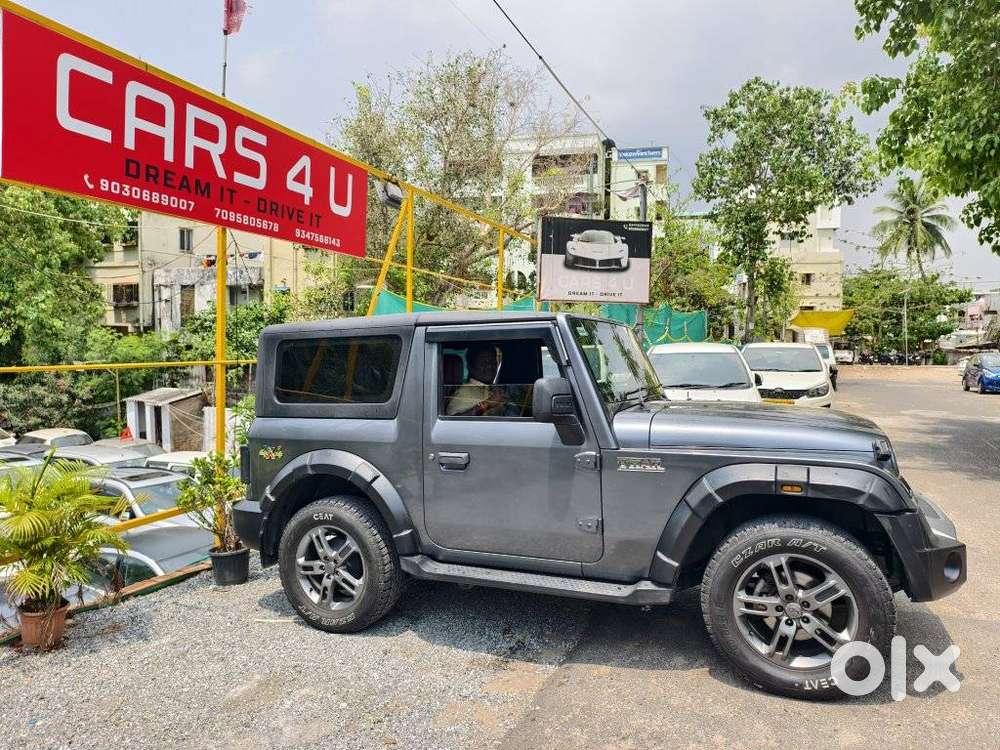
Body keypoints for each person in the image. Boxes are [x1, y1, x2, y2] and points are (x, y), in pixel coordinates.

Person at [445, 344, 506, 416]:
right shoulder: (465, 391)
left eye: (493, 362)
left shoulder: (494, 390)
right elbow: (453, 422)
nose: (490, 366)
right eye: (484, 362)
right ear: (471, 367)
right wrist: (487, 404)